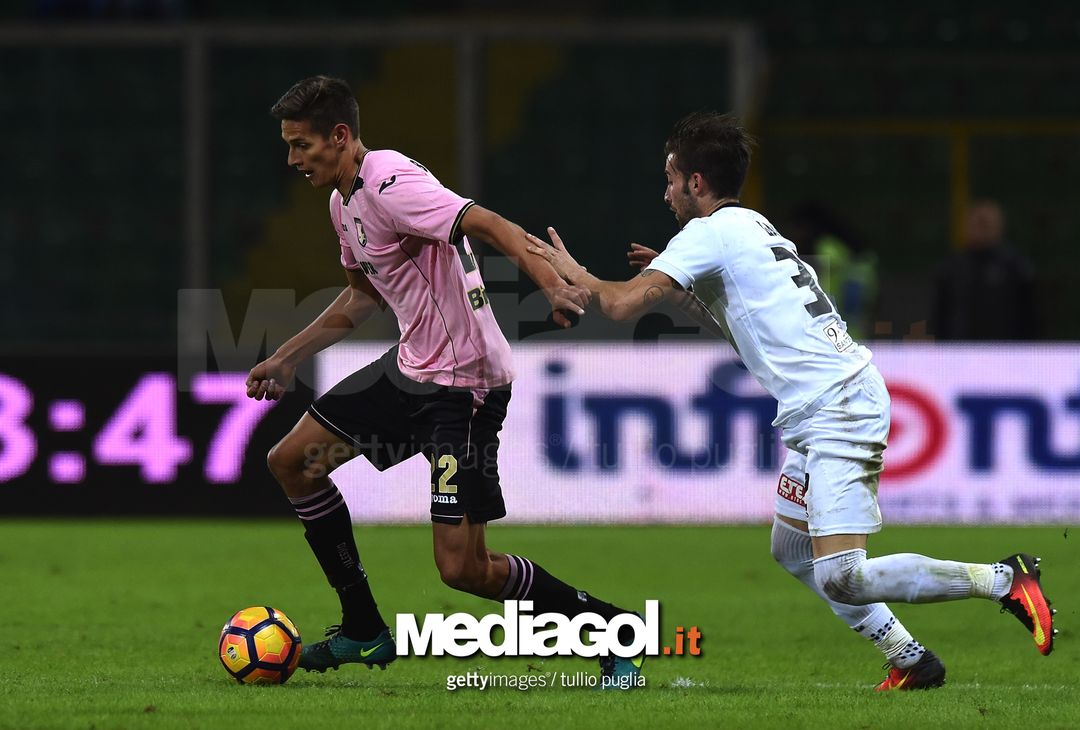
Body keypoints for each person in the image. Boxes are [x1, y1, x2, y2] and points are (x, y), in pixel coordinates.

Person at [526, 111, 1056, 691]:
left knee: (843, 576)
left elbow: (622, 306)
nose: (667, 190)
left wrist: (575, 272)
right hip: (824, 408)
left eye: (672, 177)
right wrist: (680, 292)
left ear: (696, 182)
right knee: (791, 547)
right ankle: (910, 658)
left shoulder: (707, 235)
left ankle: (1003, 579)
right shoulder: (751, 226)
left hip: (839, 408)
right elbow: (740, 326)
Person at [246, 75, 641, 682]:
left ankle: (612, 632)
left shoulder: (390, 183)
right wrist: (289, 357)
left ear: (341, 136)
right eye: (290, 146)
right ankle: (363, 629)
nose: (293, 159)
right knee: (292, 461)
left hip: (464, 388)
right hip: (412, 374)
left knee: (465, 571)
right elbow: (361, 297)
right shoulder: (341, 202)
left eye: (301, 145)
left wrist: (551, 286)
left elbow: (488, 223)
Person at [932, 200, 1037, 340]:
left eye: (986, 224)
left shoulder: (1015, 266)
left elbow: (1029, 314)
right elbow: (940, 314)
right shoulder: (951, 267)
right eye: (977, 223)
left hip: (1006, 351)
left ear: (999, 226)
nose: (980, 229)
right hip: (960, 351)